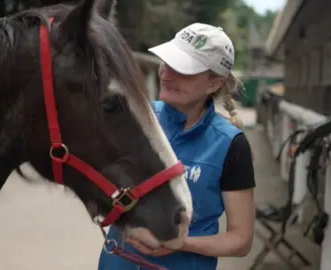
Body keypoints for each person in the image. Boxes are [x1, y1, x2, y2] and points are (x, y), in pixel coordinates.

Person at [97, 22, 256, 270]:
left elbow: (240, 239)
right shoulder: (135, 116)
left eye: (183, 70)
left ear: (214, 83)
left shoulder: (231, 145)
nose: (166, 74)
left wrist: (178, 243)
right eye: (167, 62)